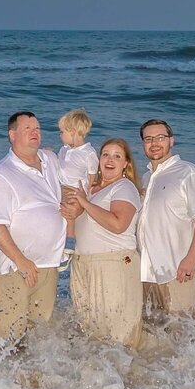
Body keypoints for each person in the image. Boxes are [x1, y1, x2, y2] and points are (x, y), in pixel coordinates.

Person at [0, 111, 69, 340]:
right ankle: (2, 377)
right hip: (16, 267)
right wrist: (22, 262)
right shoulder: (1, 175)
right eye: (27, 129)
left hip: (49, 264)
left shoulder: (50, 160)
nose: (34, 133)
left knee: (39, 337)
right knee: (9, 338)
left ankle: (33, 377)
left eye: (37, 128)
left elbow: (67, 185)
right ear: (12, 135)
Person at [63, 138, 144, 346]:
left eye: (117, 156)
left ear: (126, 163)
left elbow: (118, 225)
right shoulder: (91, 189)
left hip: (113, 264)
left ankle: (130, 376)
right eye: (106, 154)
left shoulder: (124, 187)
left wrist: (84, 203)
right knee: (90, 332)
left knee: (117, 332)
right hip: (83, 264)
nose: (110, 160)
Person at [135, 119, 195, 321]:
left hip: (178, 270)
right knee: (154, 337)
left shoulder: (187, 172)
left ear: (171, 141)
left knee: (185, 336)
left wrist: (191, 259)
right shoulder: (146, 178)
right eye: (148, 139)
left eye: (160, 138)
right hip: (148, 273)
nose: (154, 143)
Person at [56, 109, 98, 193]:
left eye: (62, 132)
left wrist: (86, 192)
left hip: (75, 191)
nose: (60, 135)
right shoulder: (63, 149)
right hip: (60, 187)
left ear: (72, 132)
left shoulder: (88, 153)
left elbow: (92, 175)